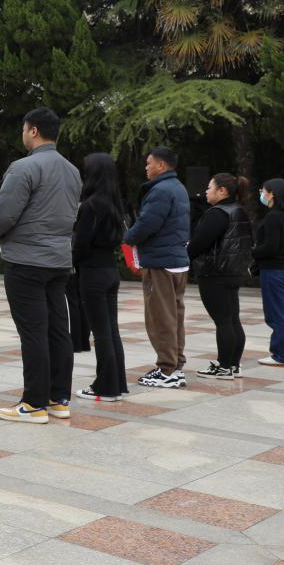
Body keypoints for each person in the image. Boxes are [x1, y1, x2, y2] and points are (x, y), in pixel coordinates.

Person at [0, 107, 81, 424]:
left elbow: (4, 214)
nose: (23, 134)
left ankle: (33, 403)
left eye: (24, 129)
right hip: (59, 259)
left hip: (26, 260)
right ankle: (58, 398)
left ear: (33, 130)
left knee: (33, 332)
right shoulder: (72, 170)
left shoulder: (24, 167)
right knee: (58, 330)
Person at [124, 147, 191, 389]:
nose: (146, 167)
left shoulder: (161, 190)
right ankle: (176, 366)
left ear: (161, 165)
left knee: (160, 318)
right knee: (175, 316)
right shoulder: (178, 187)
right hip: (177, 261)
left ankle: (166, 369)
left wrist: (128, 237)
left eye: (149, 163)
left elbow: (147, 223)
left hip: (160, 263)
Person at [73, 153, 127, 401]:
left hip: (93, 272)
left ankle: (106, 386)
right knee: (111, 330)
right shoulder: (115, 203)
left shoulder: (91, 205)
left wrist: (72, 262)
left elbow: (81, 244)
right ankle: (117, 383)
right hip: (110, 270)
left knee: (101, 332)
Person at [189, 173, 253, 379]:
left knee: (223, 321)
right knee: (232, 319)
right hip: (234, 271)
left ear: (222, 191)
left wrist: (187, 252)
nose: (206, 191)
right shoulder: (239, 211)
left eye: (210, 187)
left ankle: (224, 366)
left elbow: (199, 243)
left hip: (215, 273)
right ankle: (233, 365)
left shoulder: (217, 213)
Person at [253, 178, 284, 367]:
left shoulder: (273, 216)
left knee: (276, 314)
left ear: (272, 194)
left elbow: (271, 247)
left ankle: (281, 355)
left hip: (274, 271)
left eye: (263, 190)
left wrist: (251, 252)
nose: (261, 193)